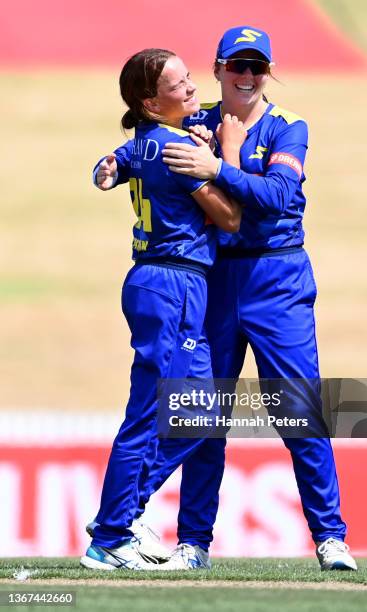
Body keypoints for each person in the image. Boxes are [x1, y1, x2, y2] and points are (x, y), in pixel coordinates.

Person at [133, 26, 358, 572]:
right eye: (238, 65)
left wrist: (219, 169)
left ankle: (330, 538)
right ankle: (192, 543)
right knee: (202, 415)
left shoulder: (288, 128)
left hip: (278, 279)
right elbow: (145, 147)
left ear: (268, 72)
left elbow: (279, 199)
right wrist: (112, 167)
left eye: (258, 67)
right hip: (213, 282)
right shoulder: (195, 121)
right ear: (217, 69)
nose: (248, 77)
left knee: (299, 411)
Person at [80, 47, 243, 571]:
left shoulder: (146, 142)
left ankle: (119, 514)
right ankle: (111, 534)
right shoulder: (175, 149)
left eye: (190, 77)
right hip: (170, 282)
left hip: (174, 284)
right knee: (149, 414)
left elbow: (110, 167)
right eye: (180, 84)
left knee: (198, 412)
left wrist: (107, 169)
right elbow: (230, 218)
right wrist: (224, 160)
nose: (193, 88)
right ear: (151, 101)